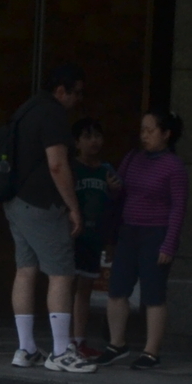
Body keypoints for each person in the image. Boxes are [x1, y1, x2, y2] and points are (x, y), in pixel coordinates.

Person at [5, 62, 92, 373]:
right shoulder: (53, 114)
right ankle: (60, 351)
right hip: (42, 204)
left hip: (15, 201)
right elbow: (57, 164)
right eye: (77, 93)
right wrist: (73, 207)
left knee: (25, 271)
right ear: (61, 91)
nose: (79, 100)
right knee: (61, 273)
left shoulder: (26, 109)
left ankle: (26, 348)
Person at [104, 109, 190, 369]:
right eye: (142, 129)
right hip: (129, 230)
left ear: (166, 134)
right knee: (117, 289)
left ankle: (151, 351)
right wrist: (113, 189)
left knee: (153, 293)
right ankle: (116, 343)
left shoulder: (174, 166)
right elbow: (120, 196)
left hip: (156, 232)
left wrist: (169, 243)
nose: (144, 135)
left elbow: (178, 207)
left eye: (150, 130)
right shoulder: (133, 158)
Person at [66, 119, 112, 362]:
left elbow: (114, 204)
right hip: (73, 235)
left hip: (95, 237)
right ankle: (64, 341)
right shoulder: (71, 168)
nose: (94, 141)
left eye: (97, 136)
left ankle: (80, 340)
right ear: (76, 142)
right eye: (87, 136)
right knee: (66, 286)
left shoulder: (107, 171)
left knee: (84, 289)